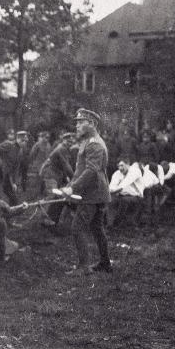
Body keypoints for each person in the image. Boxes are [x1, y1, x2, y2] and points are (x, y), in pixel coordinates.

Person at [58, 108, 112, 275]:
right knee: (97, 228)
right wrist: (70, 185)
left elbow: (91, 171)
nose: (77, 126)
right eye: (77, 122)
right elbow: (81, 170)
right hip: (95, 192)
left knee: (77, 228)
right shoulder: (88, 141)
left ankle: (84, 267)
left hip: (92, 194)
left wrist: (72, 188)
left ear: (92, 124)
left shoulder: (94, 144)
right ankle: (105, 263)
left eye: (81, 122)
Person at [0, 130, 30, 206]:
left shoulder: (20, 151)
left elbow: (16, 168)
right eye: (22, 140)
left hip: (7, 174)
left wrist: (14, 182)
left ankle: (12, 211)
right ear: (17, 139)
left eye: (25, 141)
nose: (24, 143)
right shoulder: (9, 145)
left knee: (12, 194)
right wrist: (0, 163)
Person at [107, 158, 144, 227]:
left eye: (122, 165)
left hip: (136, 196)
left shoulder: (135, 171)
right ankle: (110, 223)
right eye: (118, 166)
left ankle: (117, 223)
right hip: (121, 195)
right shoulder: (117, 173)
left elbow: (124, 184)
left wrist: (111, 192)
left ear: (128, 165)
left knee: (124, 201)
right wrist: (110, 192)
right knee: (110, 200)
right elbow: (112, 185)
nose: (120, 168)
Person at [28, 131, 52, 199]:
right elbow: (32, 154)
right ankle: (33, 196)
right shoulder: (37, 144)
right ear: (43, 137)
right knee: (35, 181)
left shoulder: (48, 145)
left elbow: (49, 155)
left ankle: (41, 193)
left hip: (45, 165)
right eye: (46, 137)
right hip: (37, 165)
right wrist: (33, 163)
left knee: (44, 180)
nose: (47, 139)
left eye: (48, 138)